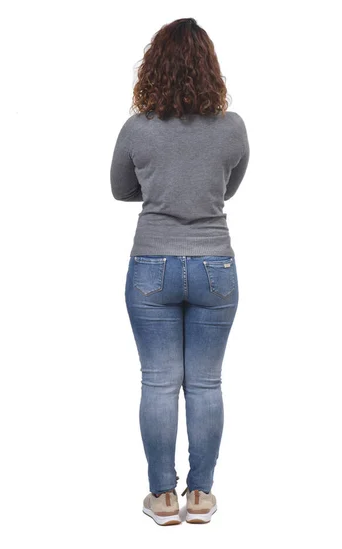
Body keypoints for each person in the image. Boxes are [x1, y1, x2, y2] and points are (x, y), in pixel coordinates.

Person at [110, 18, 249, 526]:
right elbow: (226, 186)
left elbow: (121, 189)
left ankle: (162, 498)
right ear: (210, 68)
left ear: (154, 67)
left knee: (159, 381)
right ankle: (202, 496)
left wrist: (161, 189)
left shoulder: (137, 129)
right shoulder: (232, 128)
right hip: (215, 262)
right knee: (207, 383)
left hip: (151, 263)